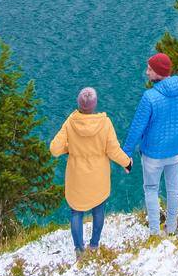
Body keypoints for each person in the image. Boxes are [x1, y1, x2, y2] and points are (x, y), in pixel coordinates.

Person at [122, 52, 178, 236]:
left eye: (150, 69)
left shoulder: (150, 97)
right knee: (173, 189)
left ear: (159, 73)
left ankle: (155, 232)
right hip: (175, 153)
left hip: (153, 155)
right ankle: (171, 228)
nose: (147, 72)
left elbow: (136, 129)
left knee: (151, 190)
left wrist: (125, 154)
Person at [50, 85, 131, 256]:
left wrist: (70, 147)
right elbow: (113, 151)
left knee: (76, 213)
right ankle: (94, 245)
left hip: (77, 178)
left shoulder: (70, 122)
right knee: (98, 211)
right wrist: (127, 163)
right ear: (94, 105)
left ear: (79, 104)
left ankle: (79, 250)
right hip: (98, 178)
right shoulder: (105, 123)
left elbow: (55, 149)